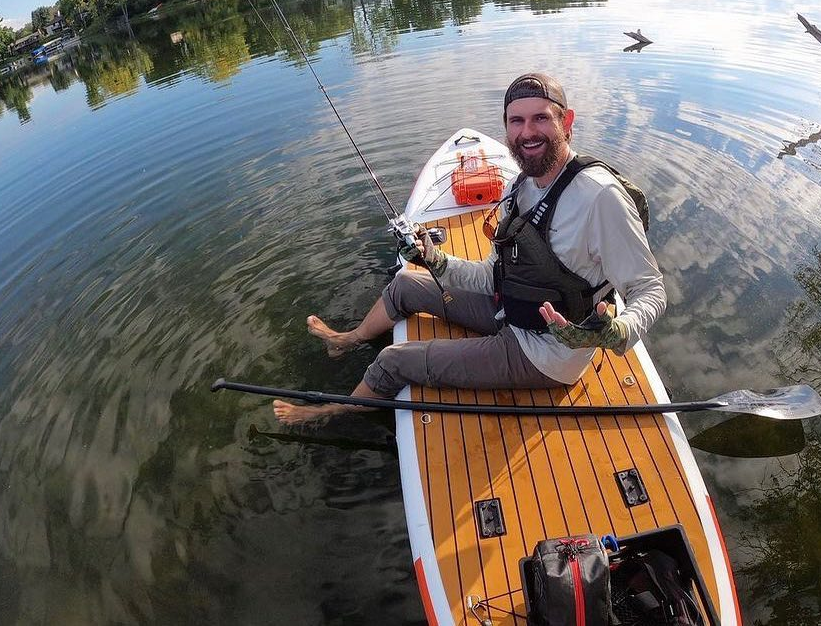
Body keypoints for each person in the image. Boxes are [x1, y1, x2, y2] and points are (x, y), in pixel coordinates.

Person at [273, 72, 666, 424]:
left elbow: (650, 289)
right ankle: (350, 339)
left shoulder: (600, 197)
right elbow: (492, 273)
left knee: (394, 360)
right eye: (517, 121)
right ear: (507, 129)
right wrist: (435, 260)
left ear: (567, 121)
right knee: (406, 284)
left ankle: (337, 410)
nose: (528, 132)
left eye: (541, 117)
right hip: (509, 308)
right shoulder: (521, 185)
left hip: (547, 354)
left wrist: (616, 333)